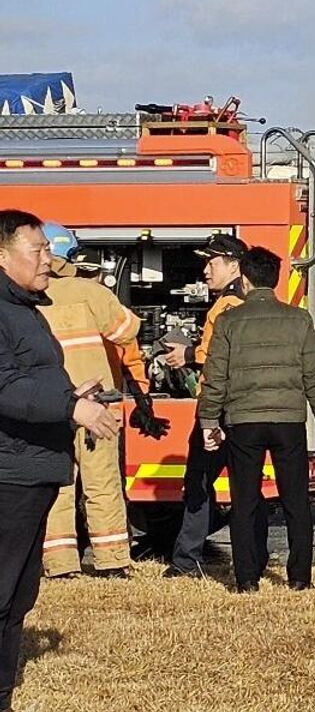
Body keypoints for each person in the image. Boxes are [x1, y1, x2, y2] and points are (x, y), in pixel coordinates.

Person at [0, 209, 120, 712]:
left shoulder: (26, 308)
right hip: (9, 474)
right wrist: (72, 407)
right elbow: (4, 388)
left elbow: (29, 380)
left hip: (33, 468)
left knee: (17, 600)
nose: (50, 258)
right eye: (39, 249)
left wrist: (73, 393)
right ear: (3, 255)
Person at [197, 246, 315, 592]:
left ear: (243, 279)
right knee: (296, 501)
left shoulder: (228, 321)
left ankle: (246, 580)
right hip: (288, 420)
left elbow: (216, 377)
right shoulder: (299, 319)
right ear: (274, 281)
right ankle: (300, 577)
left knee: (244, 500)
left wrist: (209, 422)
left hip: (243, 421)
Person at [37, 233, 167, 580]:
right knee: (103, 484)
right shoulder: (89, 292)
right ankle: (112, 561)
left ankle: (61, 565)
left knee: (59, 487)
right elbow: (129, 329)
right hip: (99, 406)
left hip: (54, 407)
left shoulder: (26, 299)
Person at [163, 232, 249, 579]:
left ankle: (185, 562)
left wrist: (186, 353)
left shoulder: (226, 306)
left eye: (212, 263)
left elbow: (216, 355)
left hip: (217, 407)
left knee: (198, 483)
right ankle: (250, 556)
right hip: (243, 408)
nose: (205, 270)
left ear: (233, 265)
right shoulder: (246, 300)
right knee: (245, 486)